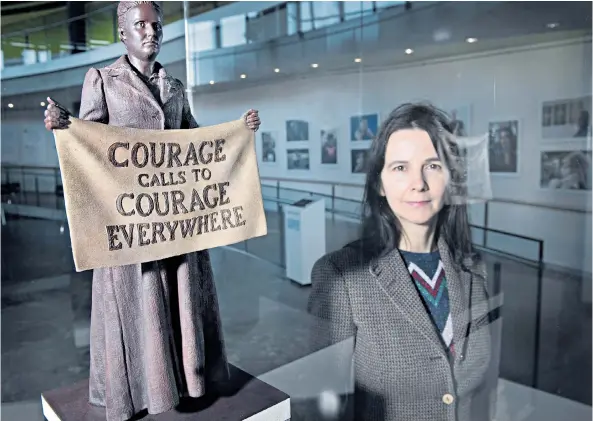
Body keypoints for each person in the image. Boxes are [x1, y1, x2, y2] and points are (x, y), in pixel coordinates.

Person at [43, 2, 261, 421]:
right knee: (139, 305)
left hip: (176, 225)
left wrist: (237, 132)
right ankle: (142, 391)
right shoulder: (103, 80)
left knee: (180, 301)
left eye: (156, 24)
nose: (150, 32)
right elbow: (89, 144)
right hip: (132, 228)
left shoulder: (174, 86)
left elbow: (196, 145)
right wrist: (65, 126)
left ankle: (185, 382)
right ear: (122, 33)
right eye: (139, 25)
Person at [308, 103, 498, 421]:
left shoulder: (472, 269)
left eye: (433, 166)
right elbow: (325, 403)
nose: (418, 183)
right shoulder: (342, 277)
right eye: (400, 168)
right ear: (379, 183)